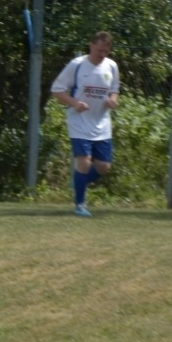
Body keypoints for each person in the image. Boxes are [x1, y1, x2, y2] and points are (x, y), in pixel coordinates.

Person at [50, 31, 120, 218]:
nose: (102, 54)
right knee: (84, 161)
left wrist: (112, 100)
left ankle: (78, 181)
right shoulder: (77, 65)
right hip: (79, 121)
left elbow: (114, 90)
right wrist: (75, 103)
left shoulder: (112, 66)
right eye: (99, 50)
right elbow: (57, 90)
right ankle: (80, 204)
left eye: (106, 51)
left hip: (102, 123)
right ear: (91, 45)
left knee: (104, 167)